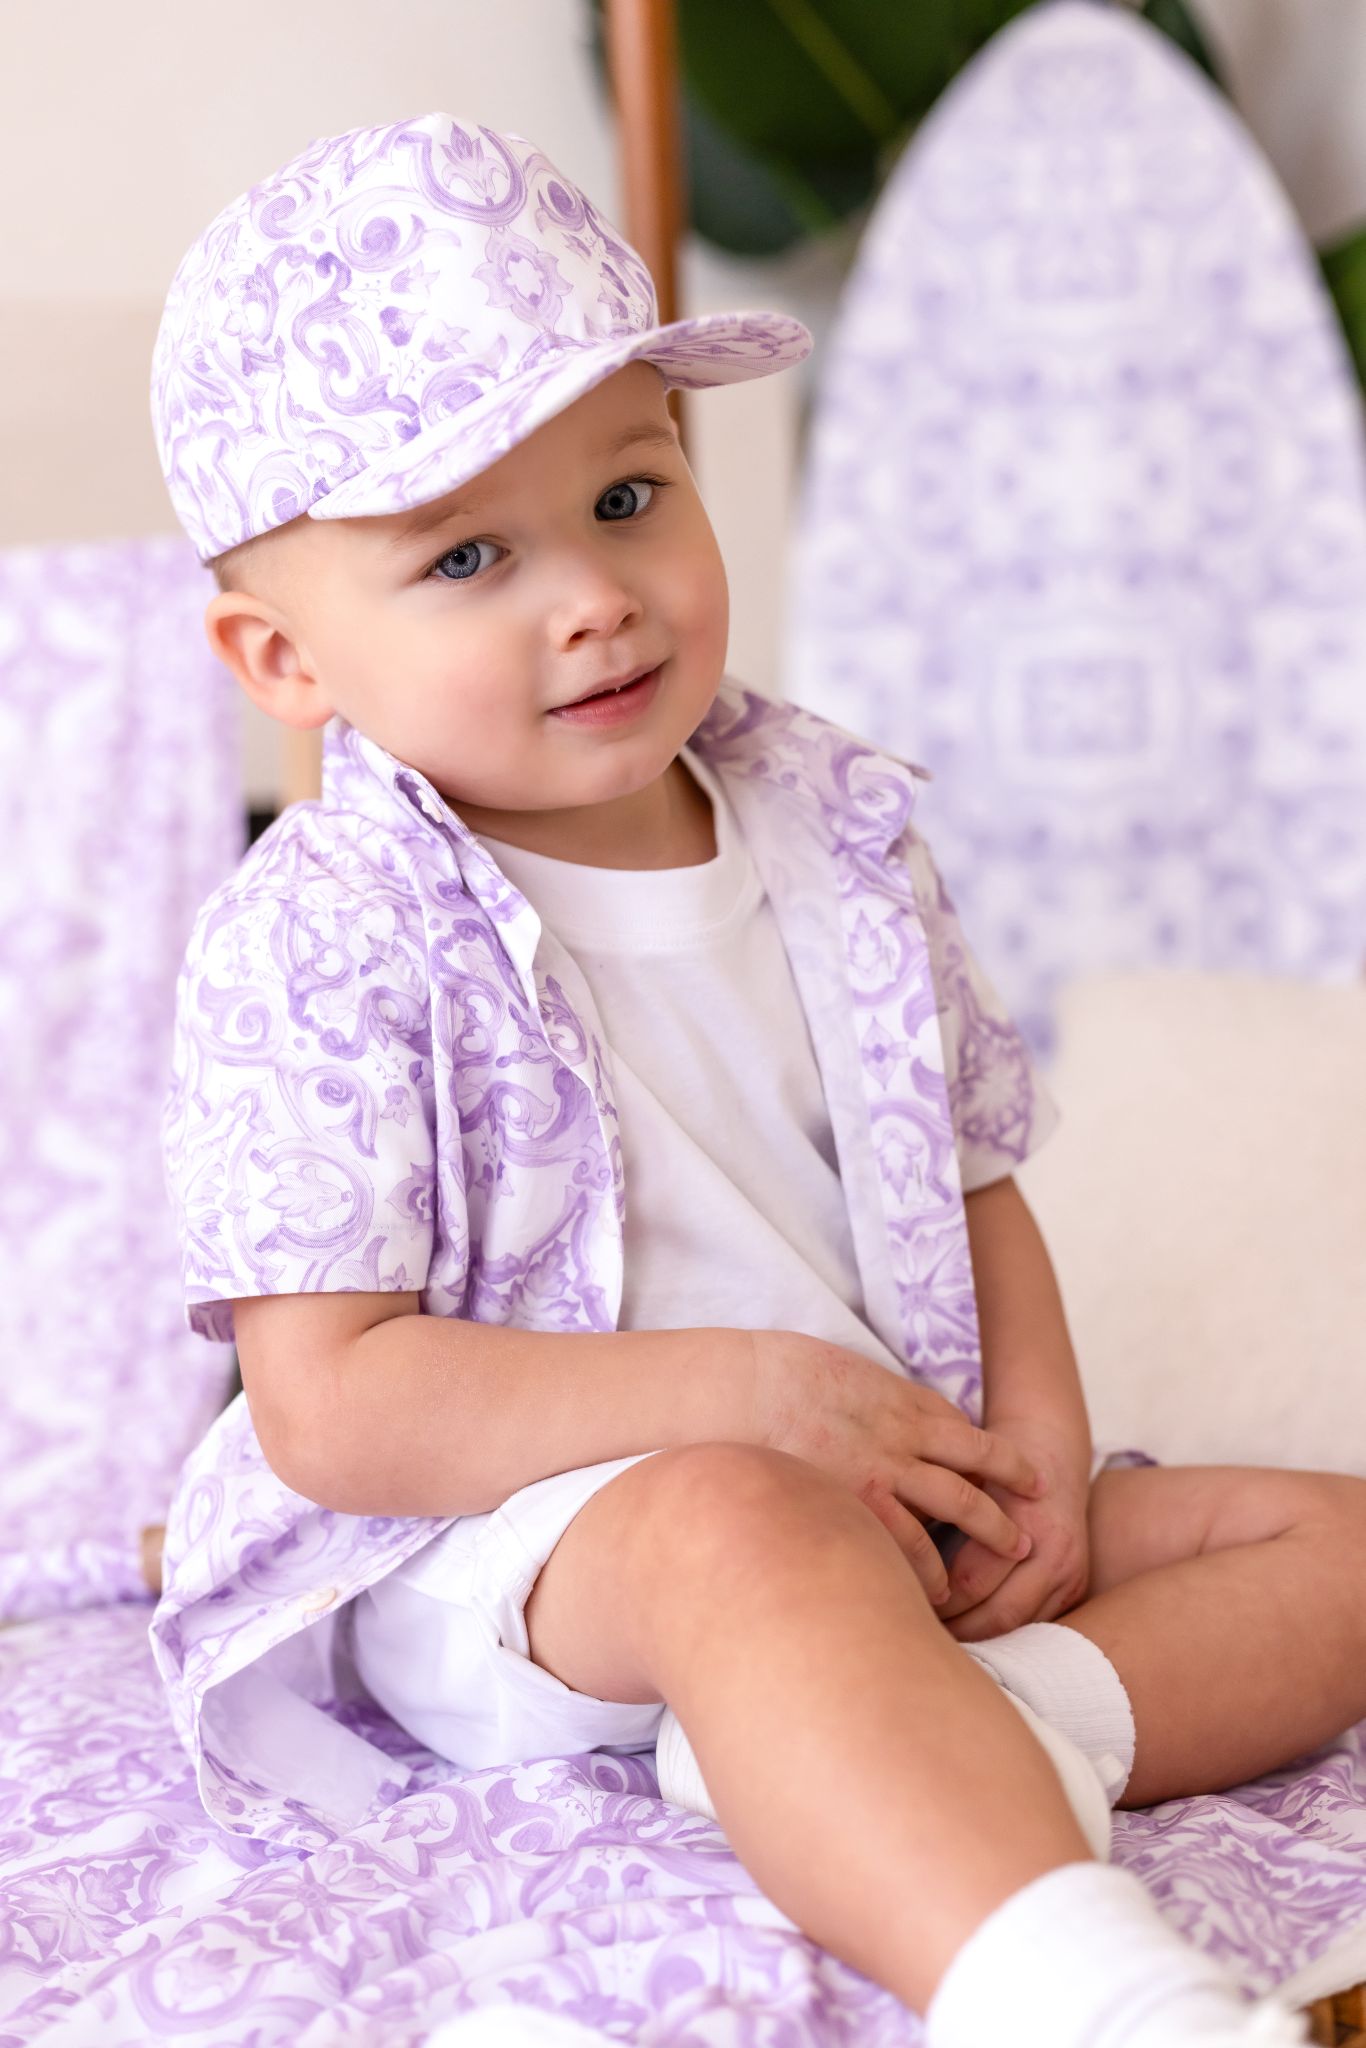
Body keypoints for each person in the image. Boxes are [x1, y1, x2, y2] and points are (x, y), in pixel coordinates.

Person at [148, 111, 1357, 2047]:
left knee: (1337, 1543)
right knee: (732, 1524)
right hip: (525, 1539)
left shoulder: (834, 826)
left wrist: (1039, 1449)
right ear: (282, 658)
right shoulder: (325, 930)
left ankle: (947, 1727)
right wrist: (735, 1396)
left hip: (884, 1473)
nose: (592, 597)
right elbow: (333, 1407)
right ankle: (1084, 1990)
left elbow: (973, 1176)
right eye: (468, 555)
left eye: (627, 496)